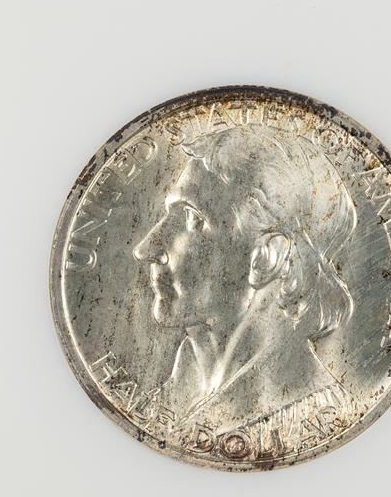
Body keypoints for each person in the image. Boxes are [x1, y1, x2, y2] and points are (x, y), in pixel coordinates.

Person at [133, 124, 360, 454]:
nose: (145, 248)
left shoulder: (317, 420)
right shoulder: (160, 408)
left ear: (268, 257)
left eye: (193, 218)